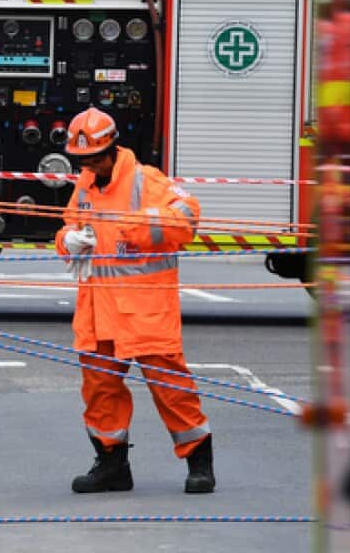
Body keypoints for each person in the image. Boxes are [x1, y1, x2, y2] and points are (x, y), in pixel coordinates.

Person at [54, 106, 215, 495]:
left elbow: (188, 218)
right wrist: (68, 242)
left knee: (171, 387)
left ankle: (199, 464)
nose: (88, 167)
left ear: (111, 148)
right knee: (99, 390)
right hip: (98, 311)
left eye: (92, 158)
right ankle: (111, 465)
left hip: (145, 311)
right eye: (81, 161)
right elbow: (67, 228)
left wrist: (133, 226)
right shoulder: (85, 186)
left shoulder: (147, 180)